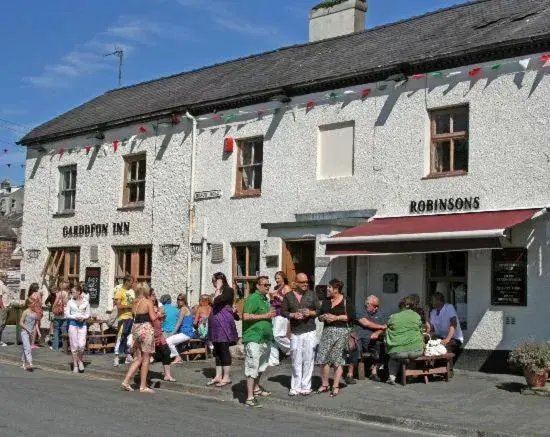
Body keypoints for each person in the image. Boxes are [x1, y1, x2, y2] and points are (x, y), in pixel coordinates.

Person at [281, 272, 319, 396]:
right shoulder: (288, 296)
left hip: (309, 331)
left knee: (308, 359)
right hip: (296, 331)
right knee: (296, 359)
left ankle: (306, 386)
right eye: (302, 282)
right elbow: (283, 311)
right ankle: (295, 387)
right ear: (296, 283)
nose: (305, 284)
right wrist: (292, 315)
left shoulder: (312, 295)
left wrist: (310, 313)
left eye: (307, 282)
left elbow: (319, 310)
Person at [315, 279, 354, 397]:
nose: (327, 289)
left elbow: (351, 316)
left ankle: (335, 385)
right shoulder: (326, 301)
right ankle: (325, 384)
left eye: (330, 287)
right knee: (323, 358)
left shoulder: (346, 300)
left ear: (336, 289)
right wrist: (323, 317)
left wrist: (335, 317)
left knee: (338, 360)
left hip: (341, 332)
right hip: (327, 332)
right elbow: (319, 315)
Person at [242, 276, 276, 408]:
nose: (268, 287)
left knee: (261, 366)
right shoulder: (253, 298)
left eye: (269, 284)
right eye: (265, 285)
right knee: (252, 367)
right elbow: (245, 316)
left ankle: (256, 388)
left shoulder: (264, 299)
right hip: (254, 338)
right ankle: (250, 397)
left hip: (264, 338)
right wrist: (265, 316)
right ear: (258, 286)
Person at [121, 283, 157, 393]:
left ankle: (126, 381)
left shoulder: (134, 302)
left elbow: (134, 316)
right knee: (146, 359)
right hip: (145, 330)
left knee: (138, 358)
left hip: (136, 330)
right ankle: (143, 386)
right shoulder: (148, 302)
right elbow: (153, 318)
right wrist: (158, 314)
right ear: (146, 291)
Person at [345, 295, 387, 384]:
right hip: (358, 336)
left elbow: (386, 326)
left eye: (378, 306)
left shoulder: (381, 313)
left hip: (373, 338)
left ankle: (374, 372)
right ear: (367, 304)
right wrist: (381, 327)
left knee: (382, 347)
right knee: (355, 347)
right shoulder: (359, 310)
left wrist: (378, 332)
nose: (376, 308)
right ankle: (350, 374)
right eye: (374, 305)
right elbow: (366, 323)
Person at [384, 296, 425, 385]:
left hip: (397, 351)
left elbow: (387, 328)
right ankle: (410, 376)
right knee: (411, 355)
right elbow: (421, 330)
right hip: (416, 351)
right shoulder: (417, 316)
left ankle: (392, 377)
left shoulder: (393, 317)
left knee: (394, 358)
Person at [207, 272, 238, 387]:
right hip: (215, 326)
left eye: (214, 280)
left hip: (223, 324)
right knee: (217, 351)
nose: (213, 283)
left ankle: (226, 377)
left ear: (220, 280)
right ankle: (218, 375)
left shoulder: (228, 290)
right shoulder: (217, 292)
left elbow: (217, 301)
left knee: (224, 349)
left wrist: (218, 290)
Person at [65, 283, 90, 373]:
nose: (72, 294)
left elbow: (88, 314)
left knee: (82, 345)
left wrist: (83, 317)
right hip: (73, 324)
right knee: (74, 346)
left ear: (79, 292)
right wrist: (75, 317)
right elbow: (67, 314)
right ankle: (76, 364)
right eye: (71, 292)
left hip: (82, 325)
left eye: (74, 292)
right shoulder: (70, 302)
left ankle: (80, 360)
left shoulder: (86, 302)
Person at [268, 271, 291, 366]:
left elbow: (289, 302)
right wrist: (272, 299)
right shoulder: (275, 288)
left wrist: (278, 296)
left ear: (283, 278)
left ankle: (292, 348)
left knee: (277, 335)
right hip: (274, 314)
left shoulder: (286, 288)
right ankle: (274, 360)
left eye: (278, 278)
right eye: (276, 278)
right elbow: (272, 303)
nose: (276, 280)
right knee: (272, 337)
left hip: (282, 314)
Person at [166, 294, 196, 364]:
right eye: (178, 299)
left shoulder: (183, 309)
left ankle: (177, 357)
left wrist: (172, 333)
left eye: (181, 299)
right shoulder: (185, 308)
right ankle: (177, 357)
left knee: (168, 341)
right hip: (185, 332)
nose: (179, 301)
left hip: (186, 333)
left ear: (184, 300)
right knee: (169, 341)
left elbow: (179, 323)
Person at [113, 275, 135, 367]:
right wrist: (129, 306)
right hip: (123, 318)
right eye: (131, 282)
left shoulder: (132, 291)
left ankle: (128, 355)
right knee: (120, 336)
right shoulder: (119, 292)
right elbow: (118, 306)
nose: (132, 284)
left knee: (129, 337)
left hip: (131, 317)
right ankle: (116, 357)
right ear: (127, 282)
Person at [152, 305, 176, 382]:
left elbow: (162, 318)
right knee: (144, 358)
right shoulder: (151, 313)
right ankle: (142, 377)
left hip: (160, 337)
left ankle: (167, 375)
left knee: (166, 353)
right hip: (150, 338)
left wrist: (161, 314)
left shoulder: (159, 315)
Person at [19, 301, 40, 371]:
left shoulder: (35, 313)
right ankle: (30, 363)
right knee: (27, 347)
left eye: (35, 303)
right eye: (33, 303)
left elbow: (36, 324)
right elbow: (21, 322)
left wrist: (39, 332)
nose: (34, 304)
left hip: (31, 333)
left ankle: (24, 364)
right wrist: (28, 329)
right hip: (24, 332)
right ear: (29, 304)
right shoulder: (25, 312)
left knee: (25, 348)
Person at [51, 281, 69, 352]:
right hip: (65, 315)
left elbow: (55, 303)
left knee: (56, 330)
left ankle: (55, 347)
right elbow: (67, 303)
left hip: (58, 315)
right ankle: (65, 348)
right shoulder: (67, 294)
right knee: (64, 330)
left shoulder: (59, 293)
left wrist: (53, 308)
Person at [27, 283, 44, 349]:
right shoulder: (38, 294)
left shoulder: (30, 294)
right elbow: (40, 303)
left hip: (31, 310)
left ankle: (29, 341)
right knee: (35, 326)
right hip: (37, 310)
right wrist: (41, 296)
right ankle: (32, 343)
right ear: (36, 288)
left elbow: (29, 302)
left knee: (31, 325)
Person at [0, 274, 13, 347]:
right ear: (1, 277)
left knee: (3, 324)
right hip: (4, 307)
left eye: (7, 276)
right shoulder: (0, 285)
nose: (6, 278)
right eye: (5, 277)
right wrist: (3, 307)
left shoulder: (5, 285)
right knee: (1, 324)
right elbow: (0, 297)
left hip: (7, 306)